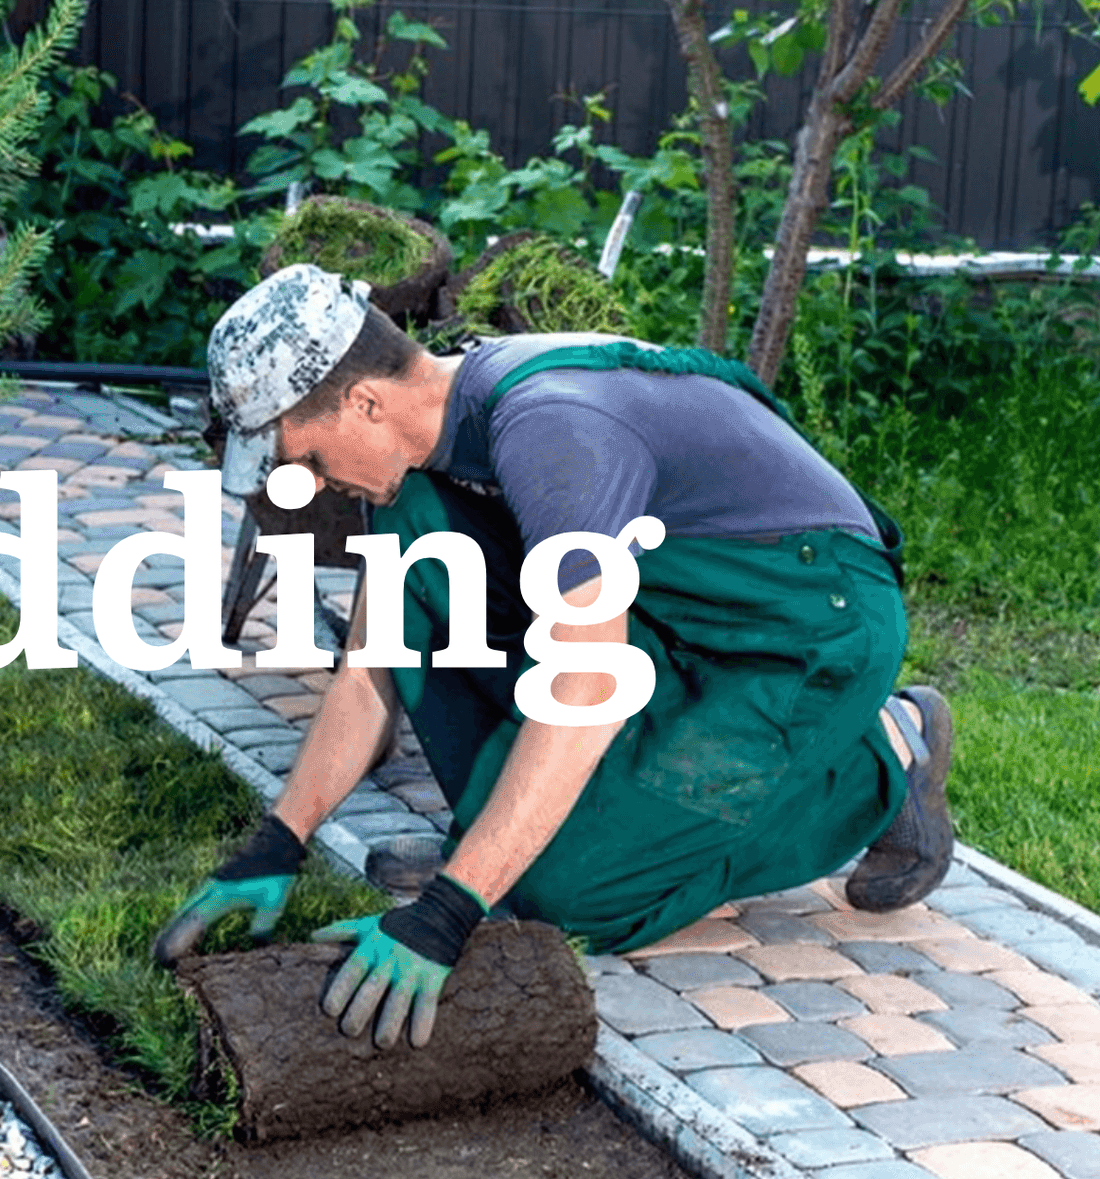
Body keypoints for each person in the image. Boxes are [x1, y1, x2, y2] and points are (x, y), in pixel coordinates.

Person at [152, 263, 955, 1052]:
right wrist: (280, 838)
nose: (313, 486)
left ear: (364, 401)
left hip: (805, 631)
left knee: (564, 895)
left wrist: (451, 909)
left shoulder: (550, 432)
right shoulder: (431, 442)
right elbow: (370, 670)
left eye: (309, 461)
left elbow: (586, 691)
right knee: (420, 542)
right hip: (679, 610)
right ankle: (524, 828)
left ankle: (883, 757)